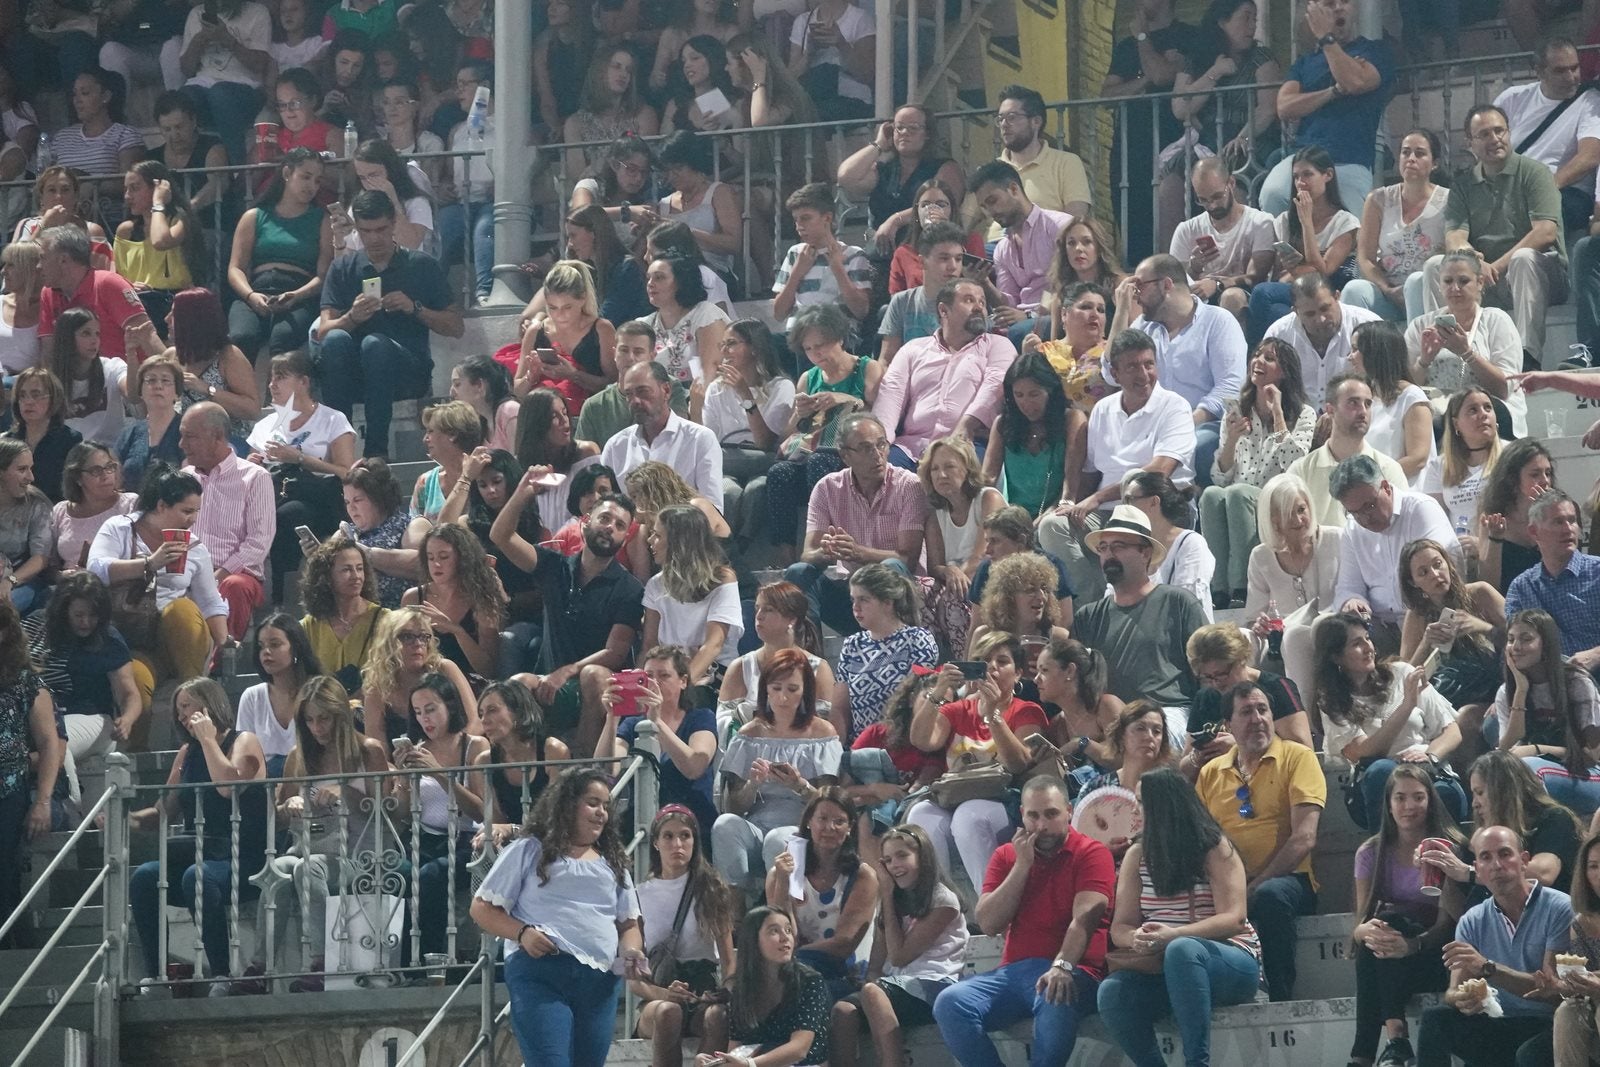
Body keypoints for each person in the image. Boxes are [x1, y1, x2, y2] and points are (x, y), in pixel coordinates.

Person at [932, 775, 1114, 1066]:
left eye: (1051, 814)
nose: (1041, 825)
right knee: (950, 1002)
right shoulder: (1007, 855)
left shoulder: (1092, 852)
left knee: (1054, 992)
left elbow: (1084, 918)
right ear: (1022, 815)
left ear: (1069, 811)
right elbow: (989, 924)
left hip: (1074, 969)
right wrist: (1022, 865)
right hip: (1014, 973)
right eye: (1033, 816)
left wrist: (1062, 966)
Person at [470, 767, 645, 1067]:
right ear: (567, 804)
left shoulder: (614, 863)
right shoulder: (529, 849)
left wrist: (631, 951)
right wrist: (523, 933)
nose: (601, 813)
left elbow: (629, 924)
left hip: (599, 983)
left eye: (606, 806)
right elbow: (481, 908)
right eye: (593, 803)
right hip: (542, 974)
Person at [1097, 766, 1263, 1067]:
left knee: (1182, 950)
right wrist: (1137, 938)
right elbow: (1120, 927)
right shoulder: (1137, 854)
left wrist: (1173, 935)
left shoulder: (1214, 847)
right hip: (1163, 965)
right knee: (1112, 992)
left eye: (1142, 803)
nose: (1136, 811)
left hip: (1228, 960)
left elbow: (1234, 919)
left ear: (1165, 806)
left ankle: (1196, 1063)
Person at [244, 674, 386, 992]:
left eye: (324, 719)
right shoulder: (299, 755)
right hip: (310, 845)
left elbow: (386, 811)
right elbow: (279, 818)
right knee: (278, 869)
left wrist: (345, 792)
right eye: (309, 720)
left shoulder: (368, 751)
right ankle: (259, 968)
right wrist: (290, 805)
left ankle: (322, 962)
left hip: (359, 852)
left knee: (308, 868)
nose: (317, 728)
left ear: (340, 716)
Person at [126, 678, 267, 989]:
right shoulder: (187, 753)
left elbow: (228, 787)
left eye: (186, 706)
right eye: (177, 710)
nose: (181, 716)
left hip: (241, 857)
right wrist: (126, 820)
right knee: (145, 877)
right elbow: (164, 811)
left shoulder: (244, 741)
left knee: (197, 876)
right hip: (200, 854)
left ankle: (221, 974)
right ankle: (156, 973)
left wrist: (208, 741)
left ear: (209, 704)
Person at [1037, 329, 1197, 601]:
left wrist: (1097, 498)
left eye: (1149, 364)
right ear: (1115, 373)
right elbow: (1090, 472)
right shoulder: (1103, 409)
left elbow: (1157, 474)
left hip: (1156, 508)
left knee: (1137, 483)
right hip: (1107, 513)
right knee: (1052, 526)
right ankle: (1093, 604)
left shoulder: (1175, 406)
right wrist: (1069, 503)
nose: (1143, 374)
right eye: (1133, 367)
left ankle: (1112, 600)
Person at [1195, 679, 1325, 1001]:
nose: (1257, 719)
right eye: (1246, 712)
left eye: (1262, 710)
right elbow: (1199, 840)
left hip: (1289, 881)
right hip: (1230, 884)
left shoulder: (1298, 757)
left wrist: (1253, 887)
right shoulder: (1210, 772)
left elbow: (1304, 838)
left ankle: (1280, 997)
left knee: (1270, 895)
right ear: (1228, 725)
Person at [492, 483, 644, 755]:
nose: (610, 527)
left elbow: (615, 652)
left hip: (595, 684)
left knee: (593, 675)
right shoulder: (554, 565)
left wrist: (567, 671)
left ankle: (582, 767)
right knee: (516, 684)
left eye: (620, 525)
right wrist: (524, 491)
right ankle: (523, 772)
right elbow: (501, 536)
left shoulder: (629, 588)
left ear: (625, 538)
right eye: (605, 518)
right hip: (550, 680)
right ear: (585, 522)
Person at [318, 191, 463, 459]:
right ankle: (339, 450)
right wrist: (352, 317)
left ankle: (376, 452)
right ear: (357, 229)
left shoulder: (421, 265)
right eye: (366, 231)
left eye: (381, 230)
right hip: (356, 374)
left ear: (394, 223)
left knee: (375, 345)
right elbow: (322, 333)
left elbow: (455, 326)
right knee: (336, 340)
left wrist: (415, 308)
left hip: (406, 373)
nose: (374, 239)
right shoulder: (344, 268)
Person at [1423, 104, 1568, 368]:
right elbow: (1455, 237)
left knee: (1523, 259)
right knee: (1435, 265)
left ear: (1509, 133)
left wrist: (1495, 267)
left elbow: (1545, 232)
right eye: (1484, 134)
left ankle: (1527, 359)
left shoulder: (1535, 172)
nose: (1494, 139)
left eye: (1499, 131)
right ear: (1470, 143)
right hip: (1488, 279)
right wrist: (1475, 262)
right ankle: (1442, 354)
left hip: (1541, 276)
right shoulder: (1463, 184)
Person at [1415, 824, 1568, 1066]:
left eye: (1505, 854)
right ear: (1477, 869)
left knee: (1529, 1054)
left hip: (1549, 1024)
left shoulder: (1560, 908)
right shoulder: (1472, 920)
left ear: (1524, 861)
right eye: (1486, 857)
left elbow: (1552, 991)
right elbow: (1453, 991)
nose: (1496, 865)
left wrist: (1488, 968)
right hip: (1498, 1022)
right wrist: (1463, 999)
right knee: (1436, 1019)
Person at [904, 633, 1047, 889]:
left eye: (1002, 661)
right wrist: (938, 692)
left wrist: (993, 716)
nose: (992, 667)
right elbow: (923, 740)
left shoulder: (1026, 711)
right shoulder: (959, 709)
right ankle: (942, 901)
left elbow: (1017, 763)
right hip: (955, 797)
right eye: (984, 661)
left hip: (1005, 801)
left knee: (968, 816)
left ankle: (989, 902)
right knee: (920, 814)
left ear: (1018, 674)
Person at [1348, 764, 1467, 1067]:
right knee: (1381, 931)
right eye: (1400, 798)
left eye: (1418, 797)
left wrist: (1413, 945)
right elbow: (1360, 922)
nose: (1409, 806)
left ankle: (1369, 1052)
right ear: (1389, 805)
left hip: (1437, 952)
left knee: (1386, 933)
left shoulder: (1450, 847)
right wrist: (1365, 932)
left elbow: (1451, 923)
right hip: (1392, 953)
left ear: (1430, 801)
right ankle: (1393, 1041)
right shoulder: (1370, 852)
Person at [828, 822, 966, 1067]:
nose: (894, 866)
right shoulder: (893, 905)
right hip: (896, 988)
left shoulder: (943, 900)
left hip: (935, 987)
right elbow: (876, 965)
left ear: (923, 857)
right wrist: (870, 986)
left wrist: (887, 896)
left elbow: (900, 956)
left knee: (873, 991)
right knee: (844, 1010)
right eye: (888, 860)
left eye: (902, 856)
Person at [1313, 611, 1469, 827]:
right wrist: (1407, 706)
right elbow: (1362, 753)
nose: (1368, 647)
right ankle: (1386, 847)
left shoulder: (1402, 673)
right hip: (1380, 781)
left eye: (1368, 638)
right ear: (1336, 656)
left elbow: (1452, 732)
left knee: (1441, 794)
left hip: (1428, 771)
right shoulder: (1332, 700)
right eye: (1357, 644)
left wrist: (1430, 757)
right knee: (1381, 771)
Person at [86, 465, 230, 688]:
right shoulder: (120, 528)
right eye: (186, 511)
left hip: (178, 639)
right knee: (136, 681)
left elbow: (210, 602)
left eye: (196, 511)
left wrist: (226, 643)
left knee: (182, 609)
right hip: (131, 637)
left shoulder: (194, 548)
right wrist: (149, 564)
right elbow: (95, 569)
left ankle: (193, 693)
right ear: (162, 506)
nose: (193, 519)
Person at [713, 650, 842, 894]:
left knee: (778, 839)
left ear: (805, 692)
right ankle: (733, 906)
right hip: (757, 824)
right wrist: (753, 783)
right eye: (776, 688)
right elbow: (733, 807)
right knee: (725, 825)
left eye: (792, 689)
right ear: (766, 690)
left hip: (803, 826)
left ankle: (784, 907)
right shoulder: (749, 734)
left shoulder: (822, 733)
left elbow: (831, 805)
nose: (783, 697)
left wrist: (800, 785)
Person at [786, 413, 926, 635]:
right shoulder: (827, 488)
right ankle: (808, 653)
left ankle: (899, 645)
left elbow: (906, 559)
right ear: (845, 455)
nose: (877, 454)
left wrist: (857, 552)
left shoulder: (908, 485)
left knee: (892, 566)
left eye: (881, 444)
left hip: (902, 592)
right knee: (799, 572)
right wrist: (827, 551)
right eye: (865, 448)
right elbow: (808, 554)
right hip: (853, 594)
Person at [1201, 338, 1315, 609]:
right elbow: (1220, 477)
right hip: (1237, 494)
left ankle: (1241, 585)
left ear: (1284, 372)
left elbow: (1295, 464)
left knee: (1238, 493)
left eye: (1269, 358)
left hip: (1277, 496)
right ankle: (1218, 588)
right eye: (1257, 355)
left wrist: (1278, 415)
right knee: (1211, 494)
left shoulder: (1303, 413)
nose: (1258, 361)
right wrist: (1231, 439)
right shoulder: (1237, 411)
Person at [766, 306, 884, 559]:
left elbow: (879, 418)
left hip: (850, 454)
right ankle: (787, 556)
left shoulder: (867, 368)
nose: (815, 354)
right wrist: (799, 414)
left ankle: (828, 544)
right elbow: (786, 438)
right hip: (813, 453)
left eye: (821, 345)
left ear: (839, 338)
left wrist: (845, 399)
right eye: (808, 348)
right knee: (779, 473)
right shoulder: (808, 378)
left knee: (819, 461)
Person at [1258, 0, 1394, 217]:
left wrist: (1326, 39)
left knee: (1350, 223)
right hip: (1304, 157)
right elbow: (1284, 106)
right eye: (1330, 3)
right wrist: (1333, 92)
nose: (1338, 7)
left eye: (1345, 1)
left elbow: (1355, 82)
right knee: (1273, 194)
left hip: (1350, 160)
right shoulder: (1304, 63)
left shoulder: (1374, 51)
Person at [1120, 253, 1245, 489]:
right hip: (1152, 426)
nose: (1136, 295)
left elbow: (1231, 386)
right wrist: (1121, 312)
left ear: (1166, 285)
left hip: (1204, 424)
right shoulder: (1144, 326)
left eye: (1140, 286)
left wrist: (1184, 423)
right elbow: (1111, 372)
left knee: (1195, 447)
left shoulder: (1218, 321)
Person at [1073, 503, 1208, 715]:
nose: (1109, 554)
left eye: (1118, 546)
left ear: (1145, 553)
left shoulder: (1178, 603)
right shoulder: (1088, 617)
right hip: (1111, 719)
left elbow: (1209, 667)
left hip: (1169, 712)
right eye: (1103, 548)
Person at [628, 804, 736, 1067]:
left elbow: (728, 959)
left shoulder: (712, 889)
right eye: (668, 836)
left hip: (702, 991)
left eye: (685, 836)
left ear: (694, 841)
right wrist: (665, 994)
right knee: (669, 1012)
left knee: (718, 1016)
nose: (677, 844)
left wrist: (725, 991)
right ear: (655, 842)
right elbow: (633, 980)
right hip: (658, 993)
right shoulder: (638, 895)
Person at [391, 672, 488, 964]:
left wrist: (439, 774)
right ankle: (400, 962)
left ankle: (425, 962)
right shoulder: (418, 750)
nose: (425, 719)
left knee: (431, 876)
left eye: (431, 709)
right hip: (424, 839)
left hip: (466, 840)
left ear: (450, 706)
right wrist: (404, 781)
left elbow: (480, 810)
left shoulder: (474, 746)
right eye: (418, 712)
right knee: (396, 873)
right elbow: (402, 814)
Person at [248, 350, 357, 597]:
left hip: (318, 500)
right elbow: (248, 469)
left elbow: (345, 472)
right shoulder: (265, 425)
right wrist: (252, 464)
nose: (272, 385)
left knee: (289, 514)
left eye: (280, 377)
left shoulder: (332, 419)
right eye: (271, 378)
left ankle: (283, 593)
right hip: (272, 496)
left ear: (304, 382)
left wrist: (298, 458)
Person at [873, 279, 1015, 469]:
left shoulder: (998, 345)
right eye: (969, 300)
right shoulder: (913, 349)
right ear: (943, 310)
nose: (978, 307)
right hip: (912, 447)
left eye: (982, 302)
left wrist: (967, 425)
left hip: (968, 443)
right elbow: (891, 394)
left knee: (956, 475)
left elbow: (994, 386)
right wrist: (880, 442)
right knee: (878, 472)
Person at [1332, 453, 1458, 653]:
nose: (1365, 518)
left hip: (1426, 620)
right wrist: (1353, 601)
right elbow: (1347, 588)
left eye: (1369, 506)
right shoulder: (1353, 530)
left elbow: (1441, 578)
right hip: (1379, 628)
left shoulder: (1420, 509)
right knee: (1330, 632)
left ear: (1386, 487)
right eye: (1355, 513)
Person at [1101, 0, 1193, 261]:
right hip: (1130, 151)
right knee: (1133, 231)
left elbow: (1162, 76)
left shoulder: (1188, 36)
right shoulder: (1125, 47)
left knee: (1171, 231)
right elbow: (1107, 96)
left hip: (1171, 146)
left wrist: (1142, 36)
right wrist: (1144, 79)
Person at [1399, 537, 1506, 755]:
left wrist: (1483, 627)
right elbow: (1406, 676)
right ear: (1413, 582)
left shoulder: (1480, 593)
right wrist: (1426, 642)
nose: (1435, 574)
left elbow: (1525, 637)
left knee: (1463, 719)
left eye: (1437, 564)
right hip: (1446, 695)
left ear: (1448, 563)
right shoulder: (1417, 615)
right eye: (1423, 572)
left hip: (1494, 691)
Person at [595, 644, 718, 834]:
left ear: (683, 681)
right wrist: (612, 719)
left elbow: (695, 767)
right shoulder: (633, 723)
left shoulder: (701, 718)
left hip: (691, 823)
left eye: (664, 675)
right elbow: (606, 769)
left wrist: (657, 722)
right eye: (648, 676)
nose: (655, 683)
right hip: (642, 823)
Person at [691, 321, 793, 547]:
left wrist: (745, 395)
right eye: (722, 345)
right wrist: (695, 409)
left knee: (758, 489)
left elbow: (765, 442)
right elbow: (708, 441)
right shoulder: (716, 388)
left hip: (762, 457)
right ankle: (727, 546)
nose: (724, 351)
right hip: (727, 458)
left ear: (755, 347)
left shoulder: (781, 387)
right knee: (729, 492)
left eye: (731, 344)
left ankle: (739, 546)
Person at [1243, 472, 1346, 692]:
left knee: (1296, 637)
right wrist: (1260, 625)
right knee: (1244, 638)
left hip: (1333, 629)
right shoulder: (1260, 556)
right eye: (1289, 514)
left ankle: (1302, 712)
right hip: (1281, 641)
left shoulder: (1337, 539)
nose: (1299, 520)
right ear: (1273, 519)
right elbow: (1253, 619)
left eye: (1301, 509)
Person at [226, 148, 332, 361]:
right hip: (256, 290)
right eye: (306, 177)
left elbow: (323, 275)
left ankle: (281, 384)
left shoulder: (322, 219)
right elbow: (235, 268)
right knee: (242, 335)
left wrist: (296, 296)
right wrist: (251, 296)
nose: (312, 186)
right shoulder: (255, 216)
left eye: (317, 181)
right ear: (286, 173)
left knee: (283, 337)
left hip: (299, 293)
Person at [180, 402, 274, 641]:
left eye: (190, 436)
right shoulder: (183, 479)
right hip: (187, 571)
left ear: (218, 437)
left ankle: (221, 657)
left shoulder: (255, 477)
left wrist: (217, 575)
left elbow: (259, 542)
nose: (182, 444)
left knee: (234, 586)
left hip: (235, 574)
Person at [1247, 146, 1363, 340]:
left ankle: (1263, 350)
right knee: (1274, 308)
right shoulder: (1284, 221)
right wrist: (1295, 269)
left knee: (1263, 294)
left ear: (1328, 175)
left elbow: (1322, 272)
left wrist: (1306, 222)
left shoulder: (1345, 223)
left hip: (1326, 293)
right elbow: (1279, 276)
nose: (1301, 183)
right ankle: (1268, 353)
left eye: (1308, 175)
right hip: (1296, 290)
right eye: (1296, 177)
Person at [1494, 608, 1600, 817]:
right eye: (1511, 639)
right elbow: (1504, 752)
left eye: (1526, 639)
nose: (1516, 647)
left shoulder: (1576, 683)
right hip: (1536, 769)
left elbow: (1593, 755)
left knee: (1529, 767)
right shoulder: (1506, 692)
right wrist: (1521, 690)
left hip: (1588, 774)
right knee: (1499, 772)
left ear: (1546, 645)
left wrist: (1537, 749)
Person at [1496, 38, 1600, 237]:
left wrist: (1542, 188)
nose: (1571, 77)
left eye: (1575, 68)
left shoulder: (1591, 101)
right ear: (1539, 71)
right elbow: (1486, 142)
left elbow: (1589, 157)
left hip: (1565, 192)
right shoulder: (1512, 98)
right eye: (1560, 71)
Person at [1345, 129, 1450, 323]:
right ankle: (1357, 342)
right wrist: (1387, 289)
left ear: (1434, 163)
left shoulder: (1448, 200)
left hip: (1427, 290)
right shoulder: (1378, 199)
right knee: (1354, 289)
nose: (1411, 159)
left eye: (1419, 153)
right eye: (1405, 152)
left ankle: (1420, 341)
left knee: (1416, 280)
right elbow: (1365, 258)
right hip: (1389, 291)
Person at [970, 161, 1073, 349]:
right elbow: (1009, 302)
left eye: (992, 201)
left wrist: (1029, 315)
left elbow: (1070, 286)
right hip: (1022, 322)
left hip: (1058, 315)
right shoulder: (1002, 249)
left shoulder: (1059, 226)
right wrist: (984, 282)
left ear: (1014, 189)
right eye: (984, 206)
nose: (990, 212)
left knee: (1016, 332)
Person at [837, 105, 967, 253]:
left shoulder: (945, 168)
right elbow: (846, 176)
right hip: (882, 254)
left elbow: (943, 206)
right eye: (899, 127)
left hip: (923, 252)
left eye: (913, 128)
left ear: (927, 134)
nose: (904, 132)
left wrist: (896, 220)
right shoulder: (885, 170)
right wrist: (879, 144)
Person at [833, 564, 939, 743]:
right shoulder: (852, 644)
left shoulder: (917, 639)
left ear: (888, 602)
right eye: (853, 600)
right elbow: (839, 710)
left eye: (864, 600)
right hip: (862, 747)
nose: (856, 607)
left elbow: (918, 701)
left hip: (904, 745)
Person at [1182, 623, 1314, 767]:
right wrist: (1197, 757)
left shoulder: (1276, 689)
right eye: (1207, 677)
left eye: (1222, 674)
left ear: (1241, 660)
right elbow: (1184, 766)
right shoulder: (1205, 697)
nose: (1216, 683)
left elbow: (1304, 754)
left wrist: (1241, 747)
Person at [640, 504, 741, 688]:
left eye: (657, 535)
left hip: (714, 674)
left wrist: (682, 688)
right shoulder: (655, 584)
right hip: (668, 675)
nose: (650, 540)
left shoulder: (723, 579)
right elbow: (649, 645)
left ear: (679, 542)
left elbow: (713, 644)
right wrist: (640, 685)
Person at [602, 361, 724, 511]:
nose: (635, 401)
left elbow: (713, 510)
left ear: (666, 390)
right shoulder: (616, 446)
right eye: (629, 394)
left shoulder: (700, 439)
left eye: (643, 391)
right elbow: (605, 506)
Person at [358, 606, 478, 755]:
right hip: (404, 766)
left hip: (459, 760)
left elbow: (475, 723)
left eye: (423, 637)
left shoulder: (445, 669)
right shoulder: (377, 688)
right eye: (407, 637)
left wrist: (448, 758)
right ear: (388, 642)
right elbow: (378, 751)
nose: (418, 643)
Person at [1169, 157, 1276, 319]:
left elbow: (1256, 277)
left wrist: (1217, 284)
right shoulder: (1187, 229)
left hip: (1243, 295)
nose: (1212, 205)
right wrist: (1194, 268)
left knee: (1231, 297)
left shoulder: (1260, 222)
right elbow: (1175, 281)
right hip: (1199, 296)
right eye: (1203, 200)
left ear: (1231, 183)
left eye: (1217, 196)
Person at [1261, 273, 1381, 412]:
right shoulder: (1279, 334)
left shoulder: (1368, 325)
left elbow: (1388, 383)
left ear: (1337, 297)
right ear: (1296, 311)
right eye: (1310, 314)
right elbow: (1263, 383)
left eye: (1325, 308)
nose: (1321, 319)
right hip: (1296, 418)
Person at [1504, 489, 1600, 659]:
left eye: (1572, 521)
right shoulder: (1522, 588)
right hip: (1548, 674)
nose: (1568, 529)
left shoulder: (1597, 573)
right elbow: (1516, 648)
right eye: (1558, 522)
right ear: (1534, 532)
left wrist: (1594, 656)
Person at [515, 261, 617, 418]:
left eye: (567, 307)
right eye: (553, 308)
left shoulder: (602, 329)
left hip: (592, 416)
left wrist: (573, 375)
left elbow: (614, 384)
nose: (560, 315)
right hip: (546, 418)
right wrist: (531, 376)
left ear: (582, 299)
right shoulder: (535, 331)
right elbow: (517, 390)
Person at [114, 162, 206, 334]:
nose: (127, 196)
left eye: (135, 188)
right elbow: (118, 275)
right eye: (126, 189)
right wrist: (130, 285)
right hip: (139, 302)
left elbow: (160, 241)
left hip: (173, 300)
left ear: (157, 188)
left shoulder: (180, 220)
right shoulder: (125, 230)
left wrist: (158, 203)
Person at [175, 0, 270, 166]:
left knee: (220, 94)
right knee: (182, 100)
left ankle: (237, 169)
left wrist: (228, 39)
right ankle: (190, 169)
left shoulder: (258, 12)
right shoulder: (196, 14)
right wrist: (200, 39)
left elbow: (259, 64)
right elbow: (187, 70)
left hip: (246, 87)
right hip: (202, 84)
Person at [36, 225, 146, 365]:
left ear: (63, 259)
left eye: (43, 258)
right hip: (74, 377)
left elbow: (147, 336)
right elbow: (49, 355)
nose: (38, 266)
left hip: (123, 375)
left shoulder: (108, 284)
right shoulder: (48, 294)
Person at [771, 183, 871, 328]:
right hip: (797, 333)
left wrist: (837, 268)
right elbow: (778, 314)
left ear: (827, 218)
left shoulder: (853, 255)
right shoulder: (795, 254)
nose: (799, 226)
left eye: (806, 218)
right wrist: (797, 272)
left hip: (836, 333)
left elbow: (861, 311)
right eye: (796, 220)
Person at [234, 613, 321, 778]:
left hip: (312, 780)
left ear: (296, 647)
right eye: (261, 646)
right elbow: (244, 757)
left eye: (275, 644)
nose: (266, 652)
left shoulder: (318, 691)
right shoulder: (252, 697)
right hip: (264, 784)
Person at [1351, 320, 1436, 483]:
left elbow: (1417, 459)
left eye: (1356, 349)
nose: (1350, 357)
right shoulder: (1366, 398)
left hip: (1404, 491)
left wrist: (1370, 479)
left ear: (1375, 352)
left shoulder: (1412, 397)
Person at [298, 535, 385, 693]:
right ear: (326, 576)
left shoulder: (385, 620)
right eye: (346, 569)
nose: (356, 576)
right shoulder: (309, 626)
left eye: (359, 568)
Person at [879, 220, 969, 362]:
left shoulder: (970, 304)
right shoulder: (902, 302)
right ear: (922, 262)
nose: (953, 266)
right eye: (944, 258)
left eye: (958, 259)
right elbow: (886, 359)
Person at [1419, 387, 1503, 540]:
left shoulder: (1511, 455)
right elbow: (1434, 521)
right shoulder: (1439, 466)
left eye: (1488, 408)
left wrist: (1482, 544)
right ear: (1456, 424)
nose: (1483, 414)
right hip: (1458, 548)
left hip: (1500, 545)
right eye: (1473, 410)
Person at [331, 140, 437, 258]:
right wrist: (339, 241)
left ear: (391, 171)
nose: (369, 183)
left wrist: (393, 202)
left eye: (374, 175)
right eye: (362, 178)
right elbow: (345, 261)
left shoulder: (416, 202)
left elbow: (411, 244)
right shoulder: (359, 205)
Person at [1478, 440, 1556, 593]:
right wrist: (1495, 538)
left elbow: (1564, 570)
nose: (1545, 481)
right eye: (1535, 474)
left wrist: (1546, 517)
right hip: (1509, 599)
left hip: (1550, 596)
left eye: (1548, 473)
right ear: (1512, 479)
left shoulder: (1559, 511)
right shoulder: (1492, 516)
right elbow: (1489, 584)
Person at [341, 457, 419, 609]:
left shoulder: (411, 525)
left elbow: (422, 564)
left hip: (400, 614)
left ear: (378, 498)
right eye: (347, 502)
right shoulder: (346, 532)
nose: (351, 508)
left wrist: (366, 553)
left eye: (358, 500)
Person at [884, 186, 986, 299]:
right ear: (917, 212)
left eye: (941, 205)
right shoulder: (904, 252)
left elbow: (981, 287)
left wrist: (945, 229)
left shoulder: (971, 241)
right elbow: (896, 297)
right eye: (925, 205)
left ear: (952, 210)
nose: (932, 210)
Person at [114, 357, 182, 493]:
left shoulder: (188, 430)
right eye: (151, 380)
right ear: (141, 391)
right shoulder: (129, 433)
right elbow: (115, 481)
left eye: (165, 381)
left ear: (177, 393)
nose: (158, 386)